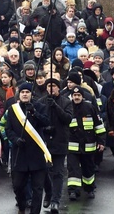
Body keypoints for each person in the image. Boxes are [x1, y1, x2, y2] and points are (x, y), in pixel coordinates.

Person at [4, 82, 51, 214]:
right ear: (19, 94)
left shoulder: (40, 107)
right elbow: (8, 129)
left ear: (31, 94)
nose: (25, 94)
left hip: (36, 153)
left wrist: (34, 113)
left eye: (27, 92)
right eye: (23, 92)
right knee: (18, 185)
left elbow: (46, 122)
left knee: (37, 188)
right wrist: (15, 139)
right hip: (20, 153)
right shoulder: (13, 109)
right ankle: (22, 206)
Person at [66, 86, 105, 200]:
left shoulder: (90, 107)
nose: (76, 97)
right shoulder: (68, 107)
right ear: (72, 96)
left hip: (89, 145)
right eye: (74, 95)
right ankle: (73, 191)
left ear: (82, 96)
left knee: (88, 169)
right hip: (72, 146)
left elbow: (99, 125)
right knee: (73, 169)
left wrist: (101, 141)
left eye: (78, 95)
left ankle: (89, 189)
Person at [42, 77, 73, 214]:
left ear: (58, 88)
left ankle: (55, 200)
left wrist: (55, 106)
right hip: (44, 143)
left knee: (58, 173)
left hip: (59, 141)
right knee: (44, 172)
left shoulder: (66, 102)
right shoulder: (41, 102)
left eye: (54, 86)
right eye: (49, 86)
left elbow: (67, 119)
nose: (51, 88)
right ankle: (48, 193)